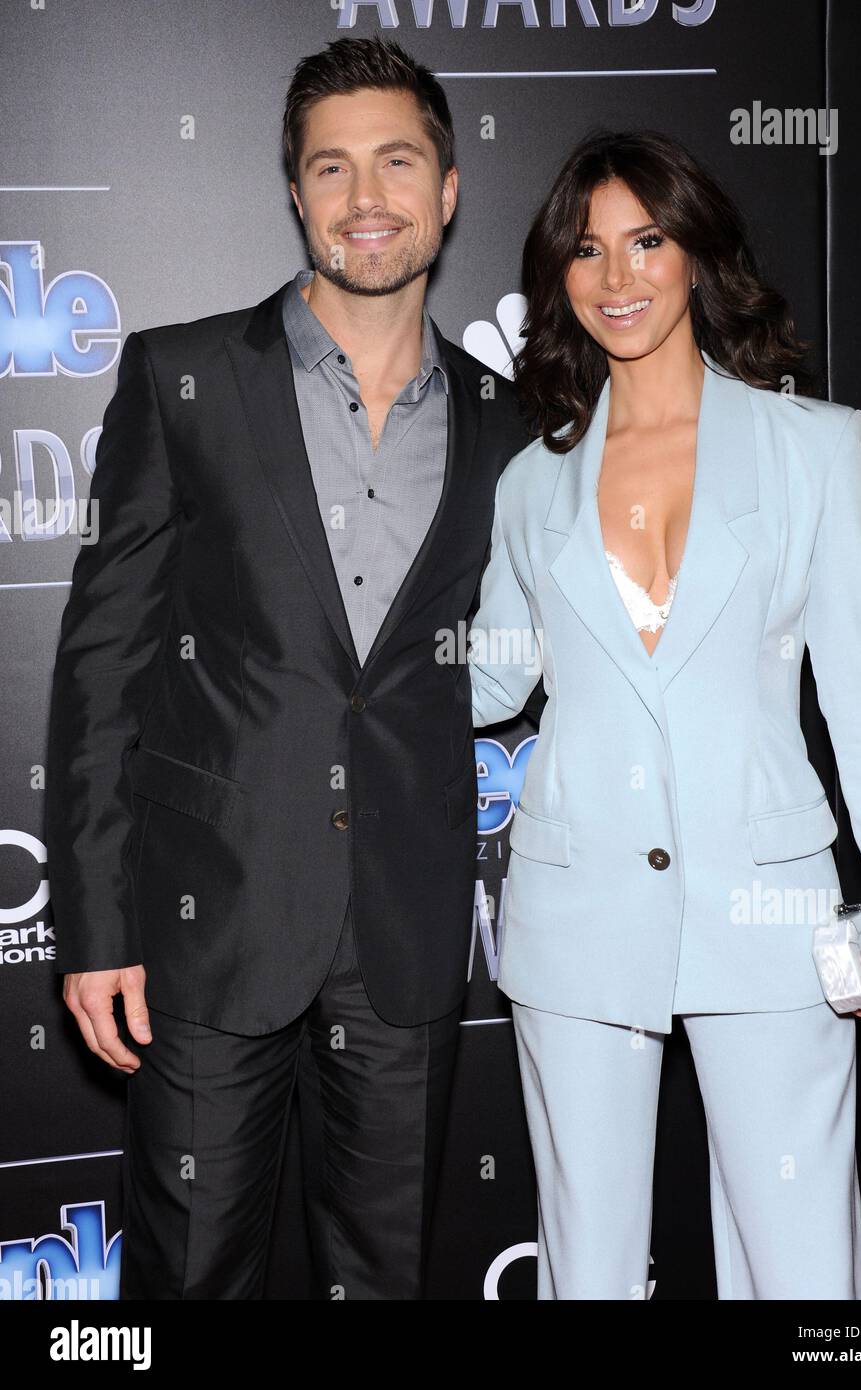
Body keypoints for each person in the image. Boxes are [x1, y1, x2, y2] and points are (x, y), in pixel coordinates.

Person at [44, 35, 539, 1299]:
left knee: (384, 1277)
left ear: (446, 189)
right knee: (188, 1272)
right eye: (331, 167)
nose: (364, 197)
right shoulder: (184, 377)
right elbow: (105, 666)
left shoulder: (507, 423)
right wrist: (97, 926)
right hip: (210, 933)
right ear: (295, 191)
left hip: (406, 934)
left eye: (394, 162)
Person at [467, 129, 861, 1300]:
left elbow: (860, 691)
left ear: (693, 255)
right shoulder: (530, 483)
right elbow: (484, 681)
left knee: (803, 1266)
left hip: (768, 907)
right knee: (585, 1266)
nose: (617, 277)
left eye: (645, 240)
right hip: (573, 917)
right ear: (557, 279)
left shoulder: (810, 453)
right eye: (586, 250)